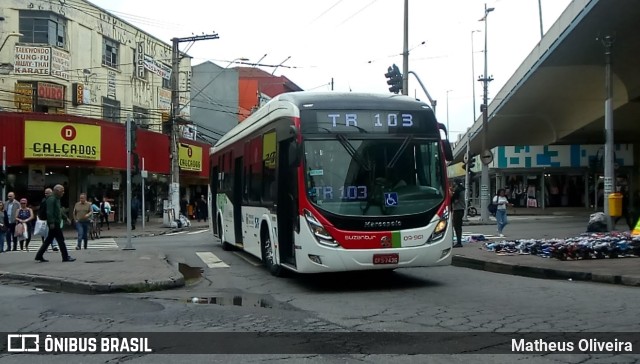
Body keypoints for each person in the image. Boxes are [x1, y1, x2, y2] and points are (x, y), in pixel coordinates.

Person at [34, 184, 75, 262]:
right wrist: (52, 222)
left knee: (49, 239)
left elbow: (59, 210)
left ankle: (39, 255)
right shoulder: (51, 199)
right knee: (60, 239)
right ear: (57, 191)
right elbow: (50, 212)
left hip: (55, 222)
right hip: (54, 222)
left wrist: (65, 218)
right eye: (62, 191)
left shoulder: (56, 199)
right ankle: (65, 257)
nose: (63, 192)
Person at [451, 182, 465, 248]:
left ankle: (459, 242)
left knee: (457, 226)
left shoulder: (458, 191)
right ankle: (458, 241)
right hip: (461, 209)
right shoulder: (462, 190)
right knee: (458, 226)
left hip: (457, 210)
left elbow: (455, 201)